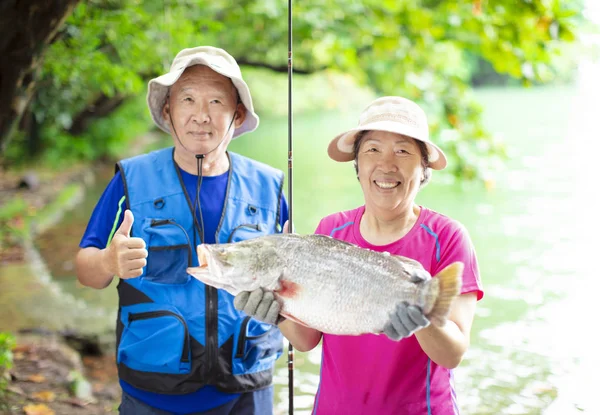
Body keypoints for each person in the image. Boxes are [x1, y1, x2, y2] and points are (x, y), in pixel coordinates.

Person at [236, 96, 484, 414]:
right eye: (372, 149)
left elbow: (452, 354)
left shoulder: (448, 238)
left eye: (403, 151)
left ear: (423, 168)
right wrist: (278, 312)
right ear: (357, 164)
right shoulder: (330, 230)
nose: (386, 164)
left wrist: (423, 322)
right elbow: (307, 339)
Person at [75, 46, 288, 415]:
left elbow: (296, 280)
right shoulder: (131, 179)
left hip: (248, 391)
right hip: (150, 393)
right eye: (187, 99)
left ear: (237, 116)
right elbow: (85, 270)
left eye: (216, 101)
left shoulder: (269, 188)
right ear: (167, 111)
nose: (201, 116)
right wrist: (109, 261)